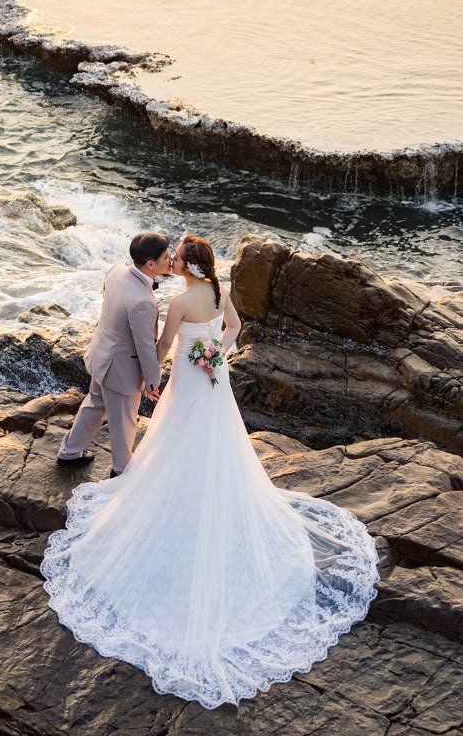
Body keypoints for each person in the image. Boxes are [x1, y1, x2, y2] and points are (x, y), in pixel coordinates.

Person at [42, 235, 379, 709]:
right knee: (216, 440)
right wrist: (215, 354)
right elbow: (234, 327)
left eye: (178, 257)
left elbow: (162, 347)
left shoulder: (179, 303)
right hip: (213, 380)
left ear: (188, 266)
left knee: (174, 435)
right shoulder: (221, 293)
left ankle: (153, 487)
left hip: (187, 379)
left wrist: (154, 375)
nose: (173, 260)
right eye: (170, 256)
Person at [56, 232, 172, 477]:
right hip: (121, 369)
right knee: (123, 421)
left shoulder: (117, 271)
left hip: (101, 355)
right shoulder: (142, 301)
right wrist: (152, 381)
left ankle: (69, 452)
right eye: (165, 256)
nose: (170, 259)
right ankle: (121, 471)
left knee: (93, 405)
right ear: (150, 264)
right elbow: (145, 346)